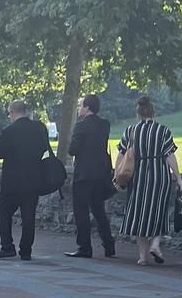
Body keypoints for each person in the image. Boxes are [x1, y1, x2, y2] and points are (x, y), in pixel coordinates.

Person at [117, 96, 181, 265]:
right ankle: (155, 243)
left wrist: (117, 175)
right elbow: (170, 155)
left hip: (138, 176)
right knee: (159, 211)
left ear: (138, 113)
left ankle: (143, 256)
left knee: (139, 213)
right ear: (154, 112)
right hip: (159, 175)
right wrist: (179, 177)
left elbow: (122, 154)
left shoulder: (130, 131)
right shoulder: (163, 131)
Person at [0, 100, 49, 261]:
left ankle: (7, 246)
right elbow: (45, 148)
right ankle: (26, 250)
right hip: (33, 177)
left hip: (13, 179)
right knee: (29, 215)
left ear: (12, 112)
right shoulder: (39, 128)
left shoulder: (9, 131)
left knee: (3, 212)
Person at [66, 95, 116, 258]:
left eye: (81, 106)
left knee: (81, 211)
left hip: (84, 174)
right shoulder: (104, 125)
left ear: (87, 107)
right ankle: (109, 244)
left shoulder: (81, 126)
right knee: (98, 210)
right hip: (101, 174)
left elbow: (72, 150)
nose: (79, 108)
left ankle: (84, 247)